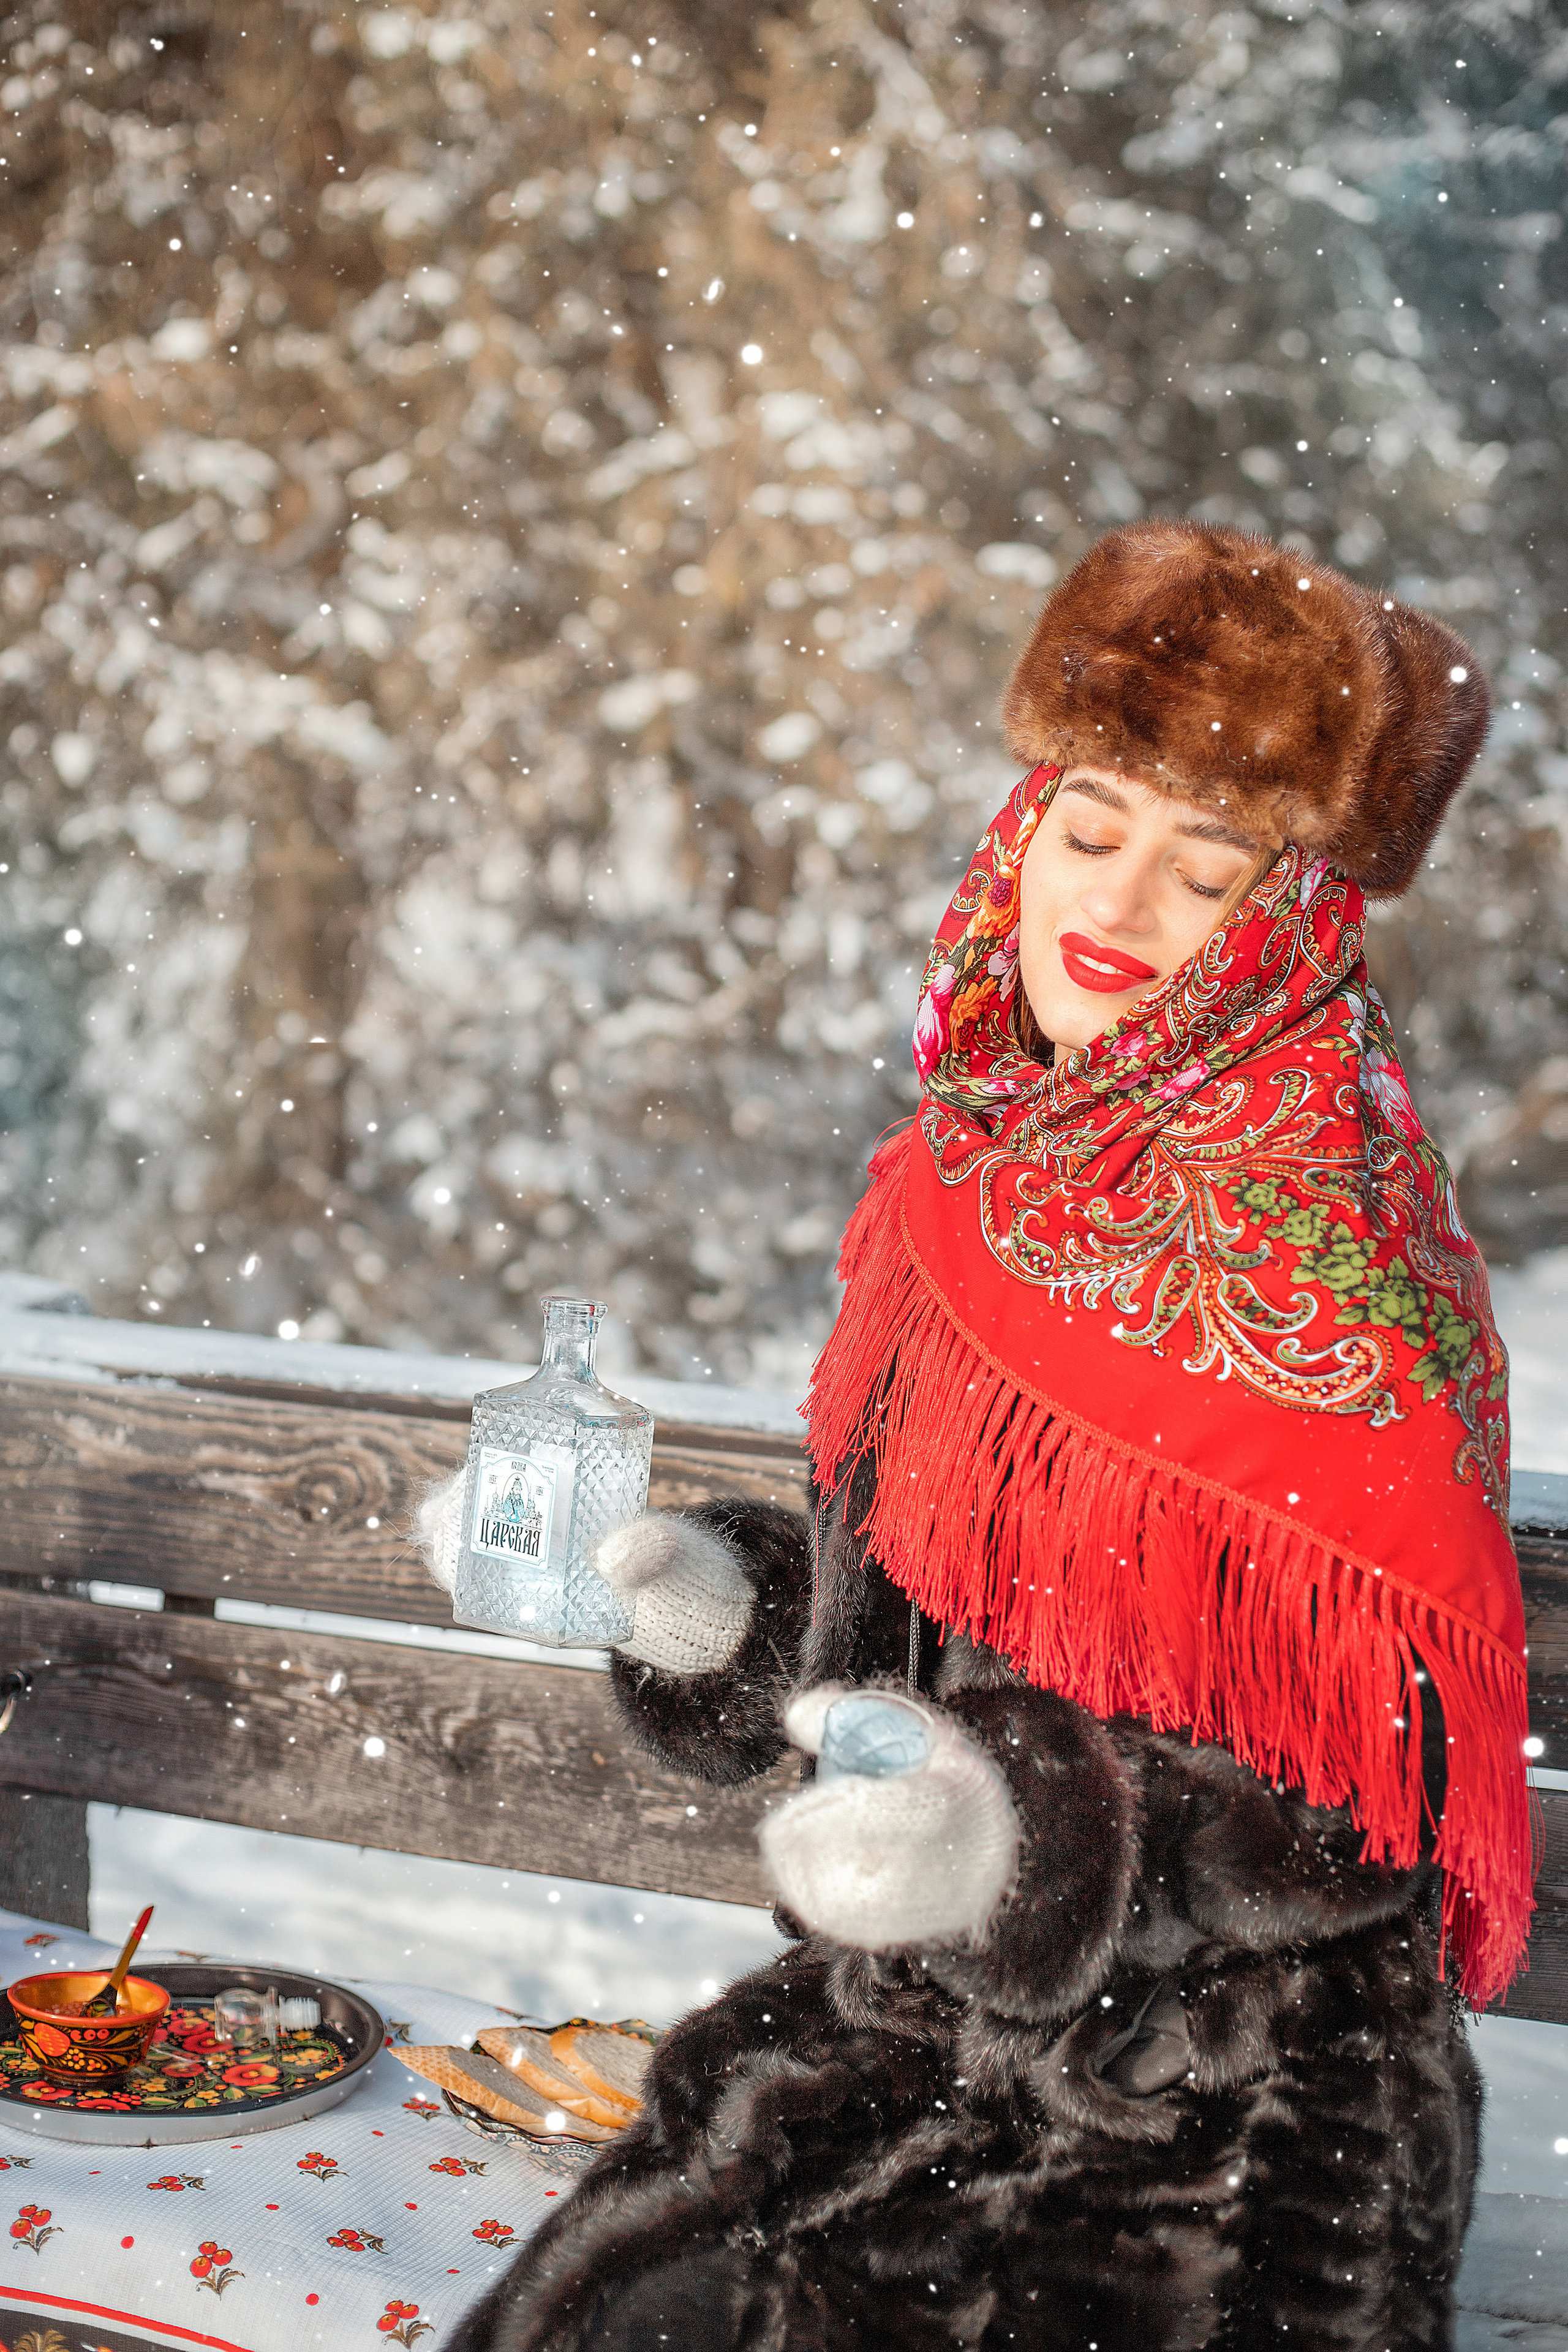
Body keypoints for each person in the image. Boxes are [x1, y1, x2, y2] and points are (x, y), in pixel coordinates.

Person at [437, 522, 1529, 2352]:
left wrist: (1000, 1843)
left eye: (1207, 869)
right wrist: (713, 1612)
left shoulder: (1336, 1261)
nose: (1118, 908)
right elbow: (893, 1647)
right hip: (907, 2025)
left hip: (1236, 2100)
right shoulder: (954, 1185)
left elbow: (1338, 1839)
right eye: (1092, 831)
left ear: (1290, 922)